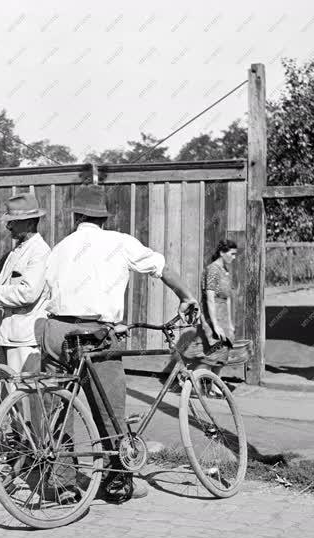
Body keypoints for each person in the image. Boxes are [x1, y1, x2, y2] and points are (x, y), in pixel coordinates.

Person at [40, 185, 199, 500]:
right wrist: (186, 296)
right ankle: (116, 482)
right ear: (103, 217)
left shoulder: (60, 246)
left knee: (59, 407)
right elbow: (161, 268)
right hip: (94, 335)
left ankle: (61, 483)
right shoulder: (118, 241)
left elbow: (51, 293)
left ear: (77, 215)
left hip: (57, 331)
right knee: (110, 410)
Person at [0, 193, 50, 374]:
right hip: (7, 335)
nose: (9, 226)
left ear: (30, 222)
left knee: (24, 394)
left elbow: (27, 293)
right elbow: (6, 291)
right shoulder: (16, 251)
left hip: (26, 338)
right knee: (7, 394)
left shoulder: (39, 252)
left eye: (14, 221)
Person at [187, 239, 238, 396]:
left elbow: (228, 297)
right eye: (232, 254)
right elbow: (209, 297)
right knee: (211, 352)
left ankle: (214, 386)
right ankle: (194, 385)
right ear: (222, 253)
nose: (234, 257)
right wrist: (214, 324)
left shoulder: (225, 271)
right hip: (212, 314)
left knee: (222, 352)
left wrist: (229, 323)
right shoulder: (213, 270)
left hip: (223, 314)